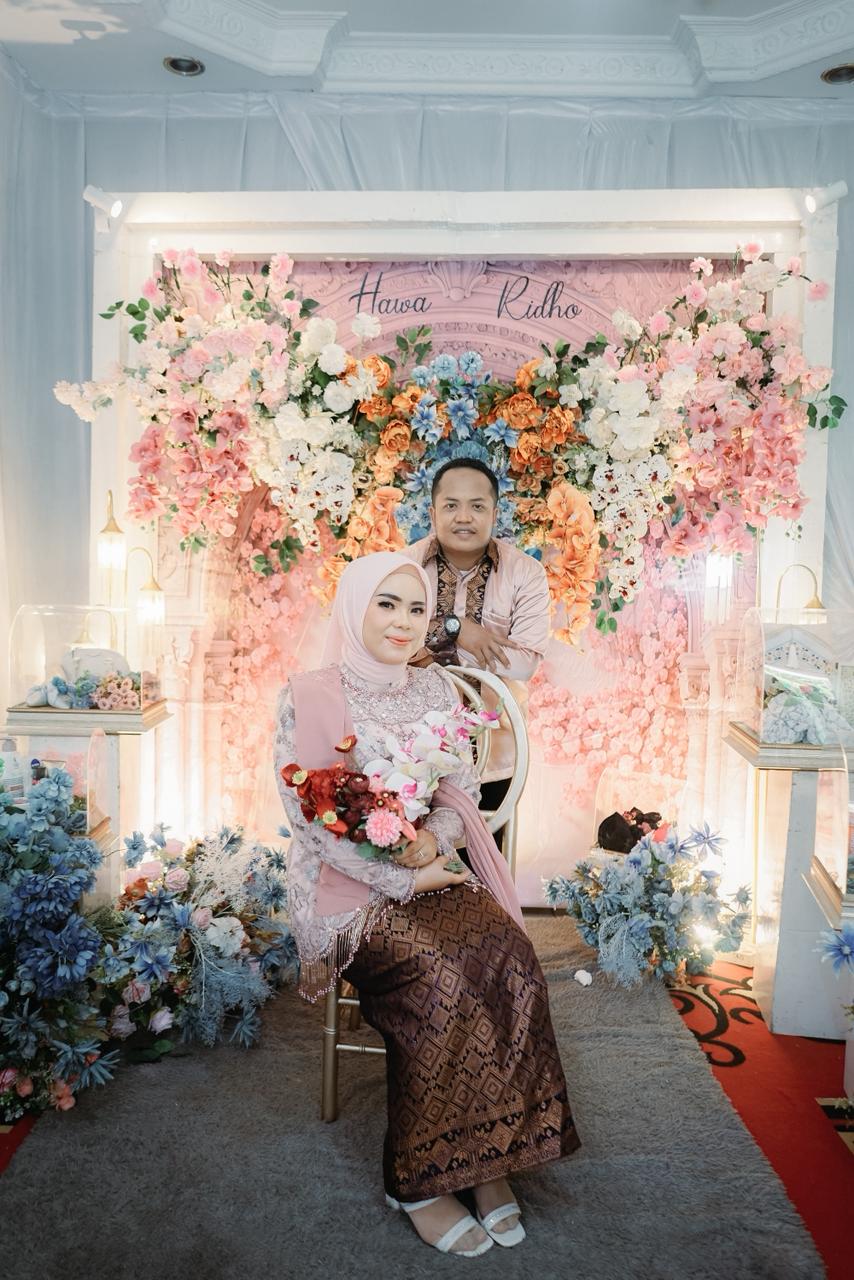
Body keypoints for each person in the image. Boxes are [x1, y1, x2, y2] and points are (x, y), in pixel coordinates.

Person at [274, 551, 579, 1258]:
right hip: (347, 886)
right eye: (386, 604)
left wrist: (432, 841)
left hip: (428, 864)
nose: (403, 622)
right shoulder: (311, 695)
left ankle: (490, 1158)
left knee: (508, 956)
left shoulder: (436, 687)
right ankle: (418, 1180)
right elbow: (311, 822)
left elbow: (458, 790)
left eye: (416, 609)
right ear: (355, 607)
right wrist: (402, 880)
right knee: (438, 974)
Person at [403, 457, 550, 831]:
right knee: (408, 855)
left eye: (477, 506)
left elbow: (524, 664)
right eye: (451, 505)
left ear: (494, 514)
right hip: (408, 751)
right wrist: (455, 628)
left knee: (485, 858)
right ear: (433, 512)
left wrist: (429, 646)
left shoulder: (525, 574)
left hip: (494, 753)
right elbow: (392, 645)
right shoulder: (405, 568)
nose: (464, 517)